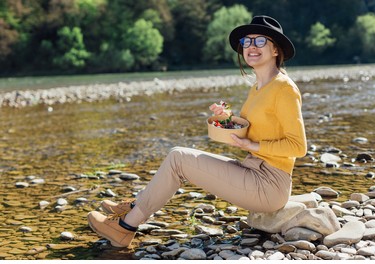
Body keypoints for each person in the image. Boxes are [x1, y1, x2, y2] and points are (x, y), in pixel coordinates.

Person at [87, 15, 307, 248]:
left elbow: (298, 146)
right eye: (247, 41)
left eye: (260, 41)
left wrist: (253, 147)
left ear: (275, 50)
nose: (251, 47)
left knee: (179, 158)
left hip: (269, 184)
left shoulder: (284, 88)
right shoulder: (258, 86)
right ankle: (135, 206)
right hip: (253, 170)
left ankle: (124, 228)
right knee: (178, 155)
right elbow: (257, 130)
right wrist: (228, 120)